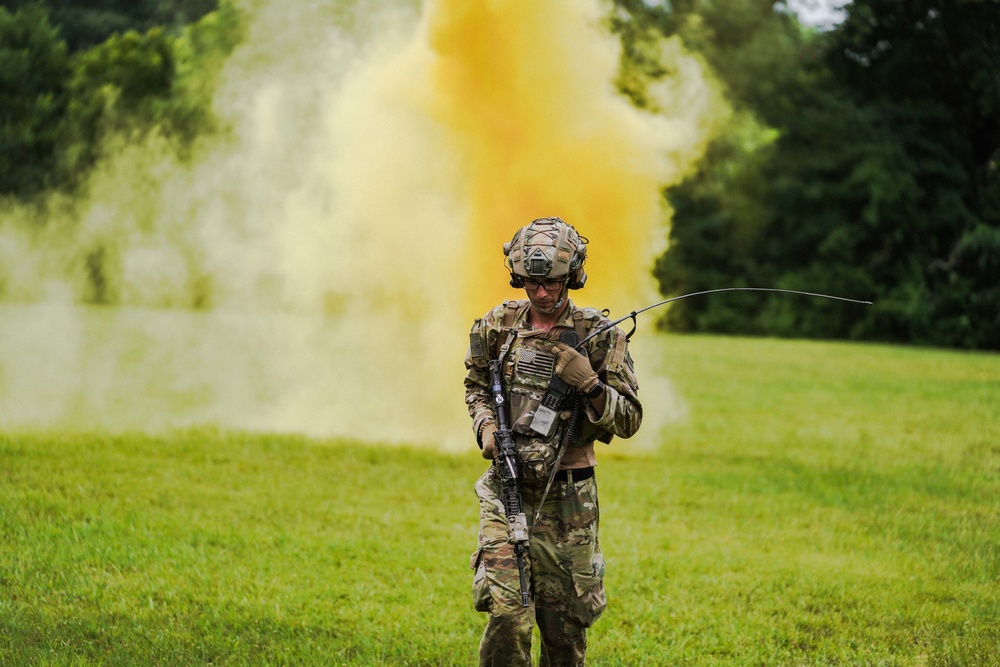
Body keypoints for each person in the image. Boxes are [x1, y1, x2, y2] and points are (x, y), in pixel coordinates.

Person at [464, 216, 642, 666]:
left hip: (569, 501)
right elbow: (476, 385)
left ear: (573, 277)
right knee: (508, 616)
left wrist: (590, 384)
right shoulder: (497, 326)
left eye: (553, 283)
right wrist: (485, 426)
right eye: (532, 283)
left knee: (564, 633)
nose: (542, 293)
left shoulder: (599, 337)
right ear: (519, 277)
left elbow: (630, 419)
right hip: (508, 491)